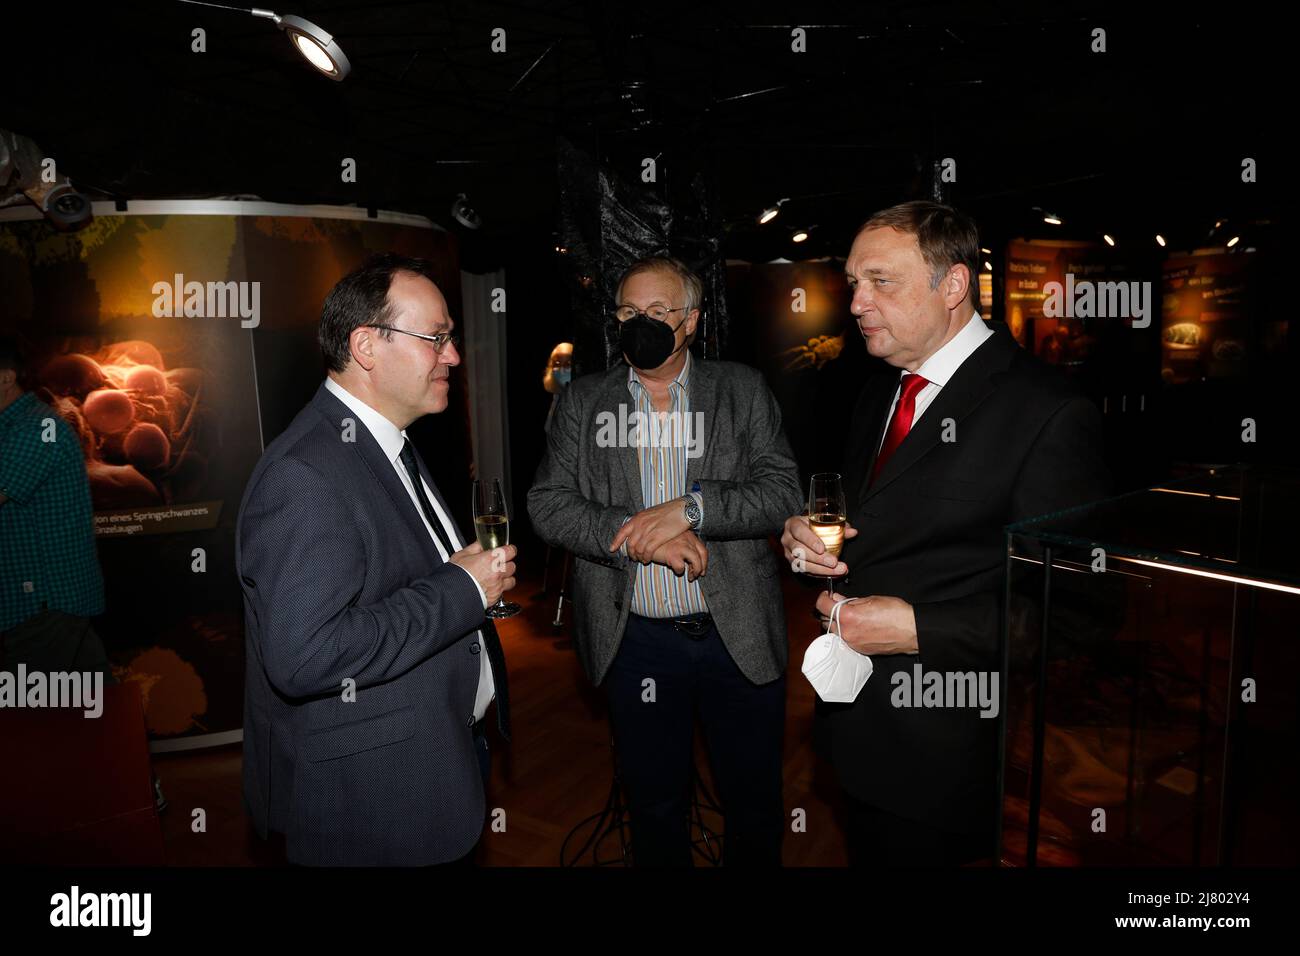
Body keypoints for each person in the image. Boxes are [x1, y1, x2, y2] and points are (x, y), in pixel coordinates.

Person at [780, 201, 1111, 866]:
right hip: (856, 723)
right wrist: (808, 541)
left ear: (953, 285)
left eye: (881, 281)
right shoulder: (881, 389)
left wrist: (914, 629)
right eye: (853, 282)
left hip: (945, 752)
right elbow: (872, 525)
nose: (856, 302)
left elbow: (1080, 614)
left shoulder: (1047, 412)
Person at [237, 254, 515, 866]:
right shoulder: (306, 474)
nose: (453, 356)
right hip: (375, 802)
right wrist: (462, 590)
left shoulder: (384, 442)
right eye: (436, 338)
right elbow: (307, 656)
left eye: (452, 338)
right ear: (366, 346)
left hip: (426, 764)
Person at [528, 255, 801, 866]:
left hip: (738, 636)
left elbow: (783, 492)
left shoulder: (742, 389)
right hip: (635, 642)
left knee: (753, 803)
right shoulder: (585, 402)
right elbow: (547, 503)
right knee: (654, 806)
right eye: (627, 312)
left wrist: (692, 509)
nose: (639, 324)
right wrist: (631, 528)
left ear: (692, 321)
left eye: (657, 312)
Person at [0, 336, 110, 680]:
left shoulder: (37, 427)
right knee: (96, 711)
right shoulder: (15, 427)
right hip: (47, 603)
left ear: (5, 376)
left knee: (27, 724)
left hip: (42, 603)